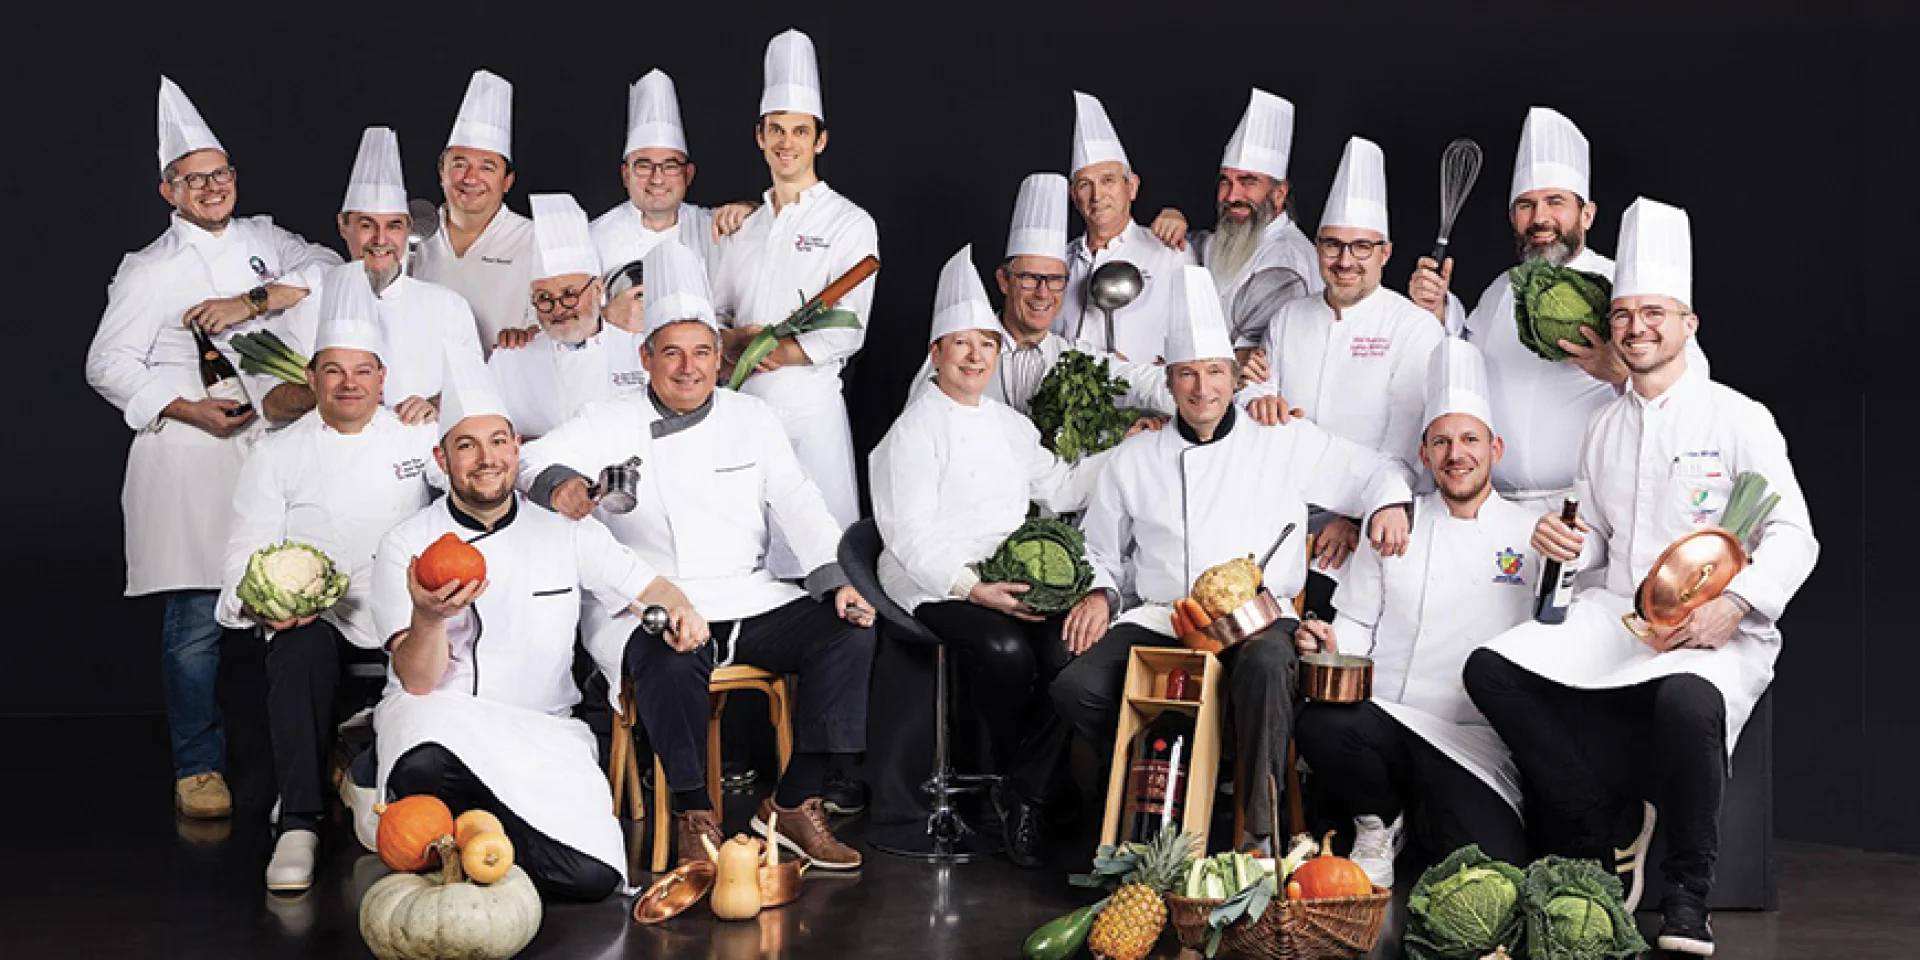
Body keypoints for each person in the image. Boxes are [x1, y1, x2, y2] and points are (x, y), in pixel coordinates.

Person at [1466, 199, 1817, 955]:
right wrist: (1566, 541)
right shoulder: (1605, 425)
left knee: (1689, 699)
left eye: (1653, 313)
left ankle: (1687, 895)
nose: (1635, 328)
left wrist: (1737, 604)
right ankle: (1600, 827)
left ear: (1688, 323)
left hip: (1709, 622)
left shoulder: (1738, 417)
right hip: (1620, 617)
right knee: (1491, 669)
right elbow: (1597, 537)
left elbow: (1796, 534)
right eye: (1623, 315)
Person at [520, 239, 876, 870]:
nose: (689, 368)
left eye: (703, 352)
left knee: (848, 633)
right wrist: (562, 485)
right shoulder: (607, 418)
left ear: (719, 356)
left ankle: (794, 801)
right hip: (650, 600)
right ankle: (694, 812)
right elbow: (529, 460)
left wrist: (836, 580)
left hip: (747, 593)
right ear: (645, 357)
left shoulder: (752, 418)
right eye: (672, 353)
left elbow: (799, 502)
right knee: (669, 657)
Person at [1050, 265, 1414, 852]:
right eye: (1188, 374)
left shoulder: (1280, 437)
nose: (1203, 389)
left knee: (1267, 667)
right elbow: (1100, 550)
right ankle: (1156, 795)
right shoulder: (1133, 458)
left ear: (1233, 375)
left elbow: (1374, 471)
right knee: (1077, 688)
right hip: (1167, 620)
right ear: (1168, 382)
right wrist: (1099, 592)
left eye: (1215, 372)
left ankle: (1258, 834)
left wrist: (1390, 505)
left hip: (1259, 620)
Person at [85, 77, 340, 820]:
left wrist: (252, 300)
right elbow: (105, 363)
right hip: (193, 460)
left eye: (219, 174)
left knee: (295, 608)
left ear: (234, 177)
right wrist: (187, 408)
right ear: (169, 191)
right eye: (192, 179)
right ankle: (198, 765)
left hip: (277, 444)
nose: (210, 187)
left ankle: (305, 758)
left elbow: (331, 269)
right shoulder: (151, 269)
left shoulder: (265, 240)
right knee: (197, 622)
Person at [370, 355, 688, 902]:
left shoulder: (566, 530)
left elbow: (648, 586)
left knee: (590, 878)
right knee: (423, 767)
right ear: (441, 459)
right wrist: (429, 617)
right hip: (445, 721)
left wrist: (684, 612)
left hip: (543, 731)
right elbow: (418, 682)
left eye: (498, 441)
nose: (487, 459)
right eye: (467, 445)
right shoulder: (407, 544)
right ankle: (472, 837)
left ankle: (467, 845)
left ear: (517, 448)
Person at [873, 245, 1133, 867]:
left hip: (1008, 570)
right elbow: (909, 535)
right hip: (933, 578)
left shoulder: (1008, 425)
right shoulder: (913, 429)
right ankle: (1028, 789)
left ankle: (1023, 790)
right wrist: (972, 589)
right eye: (961, 344)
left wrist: (1130, 445)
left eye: (986, 345)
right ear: (936, 353)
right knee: (1005, 651)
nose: (975, 356)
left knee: (1070, 652)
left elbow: (1061, 487)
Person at [216, 264, 443, 892]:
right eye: (334, 371)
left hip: (405, 610)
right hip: (321, 616)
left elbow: (469, 488)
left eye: (362, 371)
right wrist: (260, 606)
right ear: (312, 378)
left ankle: (383, 785)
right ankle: (300, 821)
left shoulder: (416, 437)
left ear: (382, 378)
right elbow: (242, 553)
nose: (349, 384)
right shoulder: (275, 452)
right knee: (297, 648)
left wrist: (448, 413)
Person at [1291, 340, 1533, 889]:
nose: (1456, 454)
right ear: (1424, 455)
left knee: (1491, 870)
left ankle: (1419, 818)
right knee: (1322, 720)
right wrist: (1329, 645)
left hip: (1471, 742)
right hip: (1387, 721)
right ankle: (1376, 822)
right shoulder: (1395, 523)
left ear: (1495, 448)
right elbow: (1357, 622)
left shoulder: (1530, 534)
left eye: (1469, 440)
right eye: (1441, 442)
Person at [1407, 107, 1709, 512]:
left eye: (1555, 202)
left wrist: (1622, 373)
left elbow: (1694, 384)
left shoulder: (1625, 290)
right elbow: (1463, 367)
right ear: (1513, 218)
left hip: (1589, 510)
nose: (1540, 218)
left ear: (1587, 214)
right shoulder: (1502, 289)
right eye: (1526, 205)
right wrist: (1437, 310)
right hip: (1499, 509)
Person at [1240, 137, 1444, 594]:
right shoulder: (1289, 316)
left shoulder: (1413, 327)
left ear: (1385, 253)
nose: (1345, 261)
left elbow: (1407, 444)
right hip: (1279, 509)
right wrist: (1258, 400)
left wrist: (1356, 514)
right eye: (1332, 246)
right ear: (1317, 249)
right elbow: (1258, 386)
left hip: (1371, 520)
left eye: (1361, 248)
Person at [710, 29, 878, 579]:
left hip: (811, 416)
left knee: (824, 563)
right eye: (776, 130)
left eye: (800, 131)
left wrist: (778, 350)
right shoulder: (743, 228)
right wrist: (732, 342)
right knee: (746, 564)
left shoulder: (850, 223)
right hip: (741, 411)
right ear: (759, 137)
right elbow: (715, 316)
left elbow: (848, 327)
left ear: (820, 140)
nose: (788, 143)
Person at [905, 173, 1172, 417]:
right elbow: (915, 426)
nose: (1043, 293)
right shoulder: (964, 353)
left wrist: (1188, 380)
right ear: (1004, 281)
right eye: (1029, 278)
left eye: (1055, 280)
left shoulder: (1075, 360)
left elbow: (1146, 383)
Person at [275, 127, 484, 426]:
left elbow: (474, 387)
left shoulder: (449, 307)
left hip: (420, 452)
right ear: (343, 226)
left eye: (394, 226)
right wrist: (335, 393)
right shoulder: (306, 306)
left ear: (408, 229)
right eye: (366, 225)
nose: (381, 239)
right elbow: (272, 404)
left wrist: (435, 405)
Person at [1147, 88, 1322, 359]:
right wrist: (1173, 219)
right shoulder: (1225, 238)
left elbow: (1253, 361)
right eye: (1225, 182)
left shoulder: (1287, 263)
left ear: (1279, 194)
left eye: (1248, 182)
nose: (1231, 196)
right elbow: (1186, 249)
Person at [488, 193, 647, 440]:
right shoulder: (509, 360)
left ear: (598, 290)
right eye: (544, 297)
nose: (558, 309)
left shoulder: (641, 351)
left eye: (569, 294)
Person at [1052, 91, 1197, 362]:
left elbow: (1197, 344)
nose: (1097, 196)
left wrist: (1141, 374)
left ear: (1132, 187)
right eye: (1085, 185)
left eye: (1108, 180)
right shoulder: (1058, 263)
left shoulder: (1171, 254)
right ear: (1074, 196)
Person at [411, 69, 536, 352]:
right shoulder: (412, 236)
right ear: (441, 172)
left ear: (507, 182)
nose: (470, 178)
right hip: (418, 377)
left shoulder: (534, 239)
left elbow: (554, 321)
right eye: (459, 164)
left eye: (487, 168)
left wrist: (530, 334)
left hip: (502, 376)